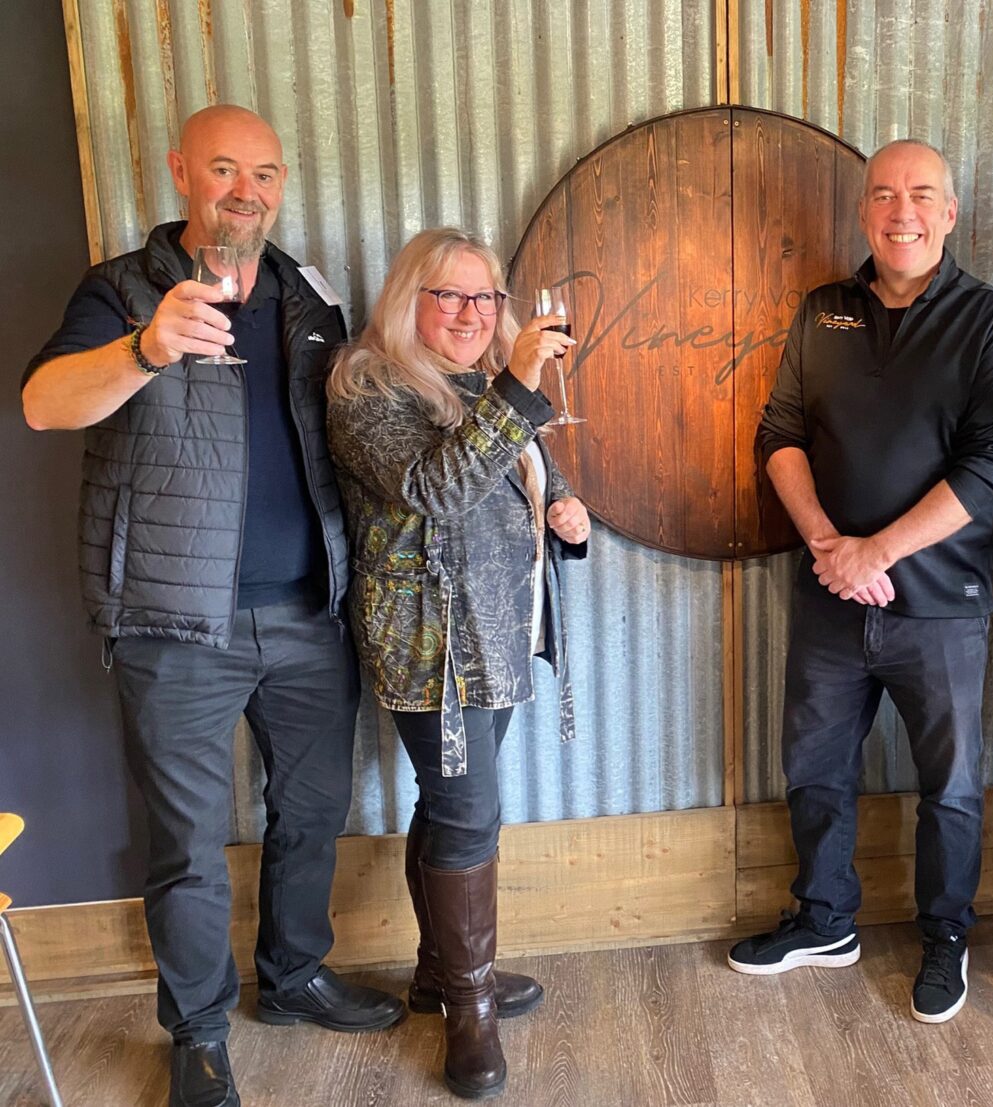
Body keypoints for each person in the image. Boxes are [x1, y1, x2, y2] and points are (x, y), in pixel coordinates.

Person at [21, 104, 402, 1107]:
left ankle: (294, 975)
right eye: (225, 168)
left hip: (310, 613)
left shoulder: (308, 293)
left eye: (264, 173)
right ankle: (196, 1034)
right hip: (172, 623)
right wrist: (145, 349)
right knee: (187, 846)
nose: (246, 190)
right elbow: (43, 403)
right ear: (181, 171)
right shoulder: (121, 289)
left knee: (312, 812)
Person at [729, 139, 993, 1024]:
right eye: (886, 195)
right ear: (864, 211)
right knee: (815, 766)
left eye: (923, 195)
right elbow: (779, 432)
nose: (903, 212)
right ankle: (825, 919)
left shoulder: (991, 320)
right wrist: (830, 544)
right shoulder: (823, 311)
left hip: (941, 604)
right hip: (829, 594)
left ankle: (946, 936)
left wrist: (879, 553)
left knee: (950, 783)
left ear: (950, 213)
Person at [326, 227, 589, 1099]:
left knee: (451, 806)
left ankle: (441, 972)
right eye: (451, 295)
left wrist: (562, 507)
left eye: (486, 297)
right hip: (433, 647)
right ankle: (469, 1010)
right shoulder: (368, 387)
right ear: (410, 300)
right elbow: (436, 487)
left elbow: (514, 468)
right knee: (470, 815)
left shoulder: (479, 383)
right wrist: (519, 382)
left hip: (498, 633)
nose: (473, 313)